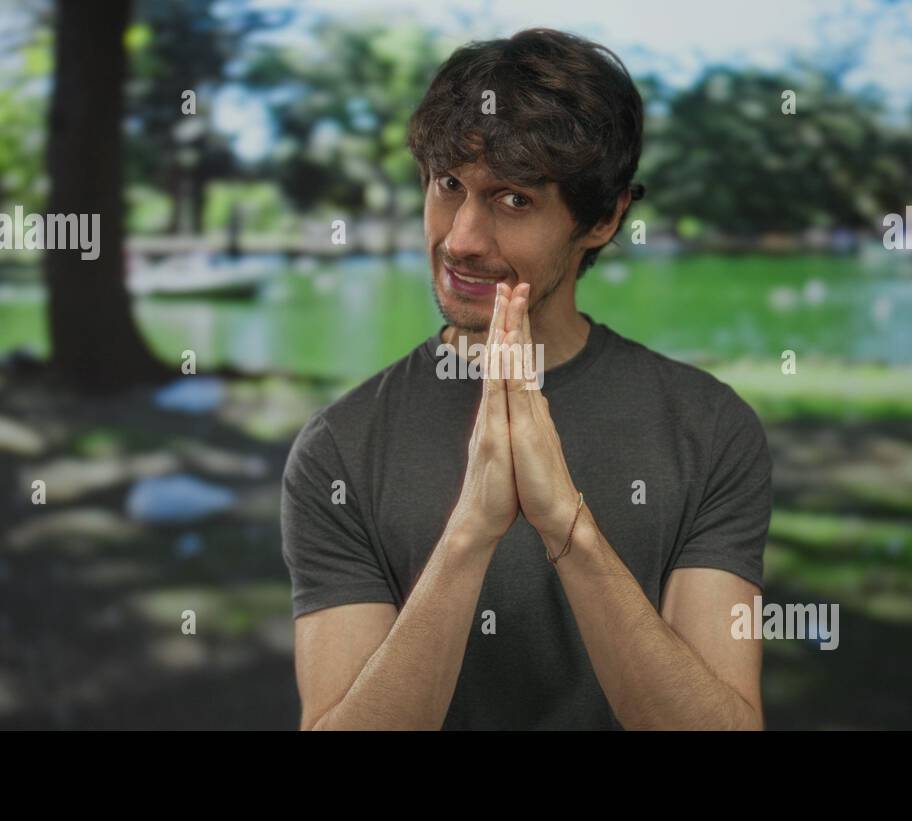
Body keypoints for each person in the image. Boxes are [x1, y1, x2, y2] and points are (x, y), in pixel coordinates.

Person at [280, 28, 772, 730]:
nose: (461, 239)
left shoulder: (711, 430)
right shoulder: (338, 449)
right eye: (449, 185)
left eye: (513, 200)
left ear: (603, 219)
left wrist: (566, 528)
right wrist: (471, 531)